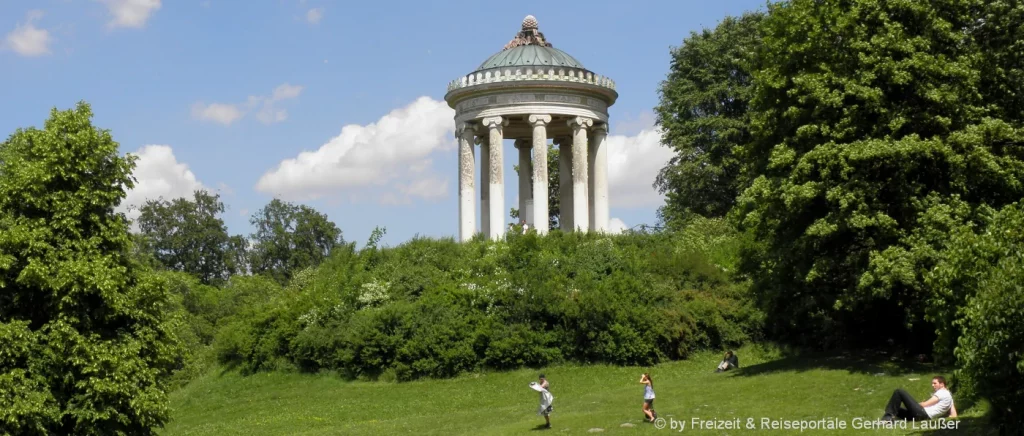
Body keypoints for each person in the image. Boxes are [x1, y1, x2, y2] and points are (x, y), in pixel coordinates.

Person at [881, 376, 958, 422]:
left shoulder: (941, 392)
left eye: (935, 383)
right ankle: (890, 417)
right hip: (922, 417)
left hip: (922, 413)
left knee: (899, 392)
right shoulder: (949, 397)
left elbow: (925, 404)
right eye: (932, 383)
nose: (932, 385)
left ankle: (887, 419)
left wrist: (915, 405)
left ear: (942, 384)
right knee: (895, 407)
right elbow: (954, 415)